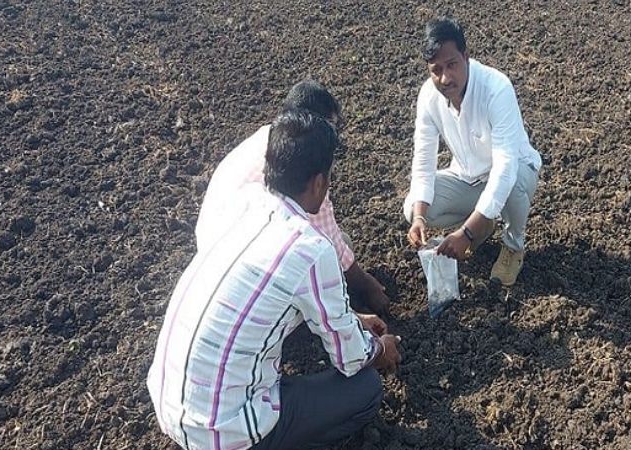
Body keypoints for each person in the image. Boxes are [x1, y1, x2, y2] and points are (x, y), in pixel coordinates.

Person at [148, 110, 402, 450]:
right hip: (223, 434)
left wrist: (352, 319)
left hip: (170, 407)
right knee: (366, 389)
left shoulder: (246, 205)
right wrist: (380, 350)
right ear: (318, 183)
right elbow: (352, 358)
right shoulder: (311, 249)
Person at [197, 80, 389, 314]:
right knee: (326, 257)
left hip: (209, 270)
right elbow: (326, 231)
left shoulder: (270, 140)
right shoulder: (306, 161)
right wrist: (364, 284)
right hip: (244, 281)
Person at [403, 17, 543, 286]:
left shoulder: (496, 88)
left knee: (511, 178)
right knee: (412, 206)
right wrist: (420, 218)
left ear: (466, 56)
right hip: (468, 177)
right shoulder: (428, 97)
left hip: (515, 173)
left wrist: (466, 234)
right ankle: (484, 224)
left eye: (452, 65)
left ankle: (513, 245)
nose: (445, 78)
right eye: (436, 70)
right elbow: (423, 160)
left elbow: (504, 167)